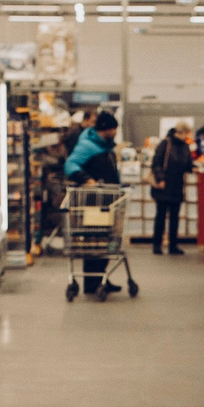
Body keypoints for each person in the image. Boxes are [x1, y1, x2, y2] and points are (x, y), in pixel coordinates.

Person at [64, 110, 122, 294]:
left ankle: (100, 279)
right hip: (93, 202)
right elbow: (70, 165)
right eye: (114, 129)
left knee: (104, 241)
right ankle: (92, 283)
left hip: (108, 201)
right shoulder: (88, 145)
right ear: (106, 129)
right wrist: (87, 180)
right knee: (94, 241)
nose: (115, 132)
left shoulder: (105, 146)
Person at [149, 121, 194, 255]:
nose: (186, 136)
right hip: (164, 186)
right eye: (185, 133)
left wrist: (192, 168)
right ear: (179, 132)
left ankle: (173, 245)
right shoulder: (165, 143)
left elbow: (187, 163)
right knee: (161, 216)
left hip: (177, 186)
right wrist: (161, 179)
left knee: (174, 217)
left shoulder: (185, 146)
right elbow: (156, 163)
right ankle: (157, 245)